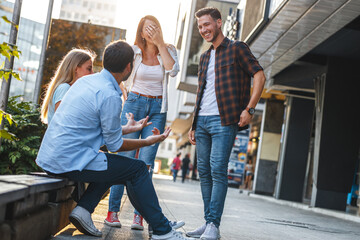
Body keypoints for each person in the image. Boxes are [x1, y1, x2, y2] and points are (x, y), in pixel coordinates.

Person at [36, 40, 191, 240]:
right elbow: (114, 145)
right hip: (67, 162)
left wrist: (129, 128)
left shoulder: (86, 82)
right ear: (129, 67)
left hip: (51, 157)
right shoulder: (110, 95)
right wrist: (148, 141)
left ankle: (85, 210)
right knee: (136, 169)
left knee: (116, 166)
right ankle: (162, 230)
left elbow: (97, 129)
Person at [187, 7, 266, 240]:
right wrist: (193, 124)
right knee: (204, 173)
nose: (203, 30)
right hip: (201, 121)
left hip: (224, 120)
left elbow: (259, 75)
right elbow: (201, 92)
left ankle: (213, 224)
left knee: (217, 170)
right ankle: (208, 222)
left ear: (219, 23)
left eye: (207, 25)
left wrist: (249, 109)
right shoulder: (204, 57)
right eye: (200, 26)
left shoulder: (237, 49)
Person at [104, 15, 183, 232]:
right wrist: (122, 94)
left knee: (146, 164)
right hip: (134, 104)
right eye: (147, 28)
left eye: (154, 27)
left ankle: (140, 216)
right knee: (124, 159)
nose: (151, 30)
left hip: (157, 109)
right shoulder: (133, 50)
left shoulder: (169, 49)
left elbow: (173, 70)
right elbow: (120, 74)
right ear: (140, 31)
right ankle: (113, 212)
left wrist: (159, 44)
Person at [40, 48, 95, 124]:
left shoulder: (69, 89)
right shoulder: (64, 89)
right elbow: (62, 124)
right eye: (89, 69)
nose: (92, 73)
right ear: (76, 68)